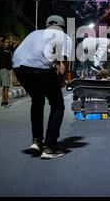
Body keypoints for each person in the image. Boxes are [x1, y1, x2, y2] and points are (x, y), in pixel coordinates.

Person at [12, 15, 72, 160]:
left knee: (37, 101)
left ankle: (36, 141)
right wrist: (62, 82)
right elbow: (63, 67)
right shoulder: (64, 37)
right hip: (40, 68)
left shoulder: (34, 33)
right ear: (62, 27)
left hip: (18, 67)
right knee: (57, 105)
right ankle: (50, 147)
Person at [0, 36, 16, 107]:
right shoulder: (0, 49)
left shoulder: (9, 49)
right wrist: (1, 39)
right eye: (6, 42)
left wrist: (11, 41)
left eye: (8, 42)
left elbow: (16, 43)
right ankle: (6, 102)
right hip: (3, 69)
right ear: (3, 43)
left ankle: (3, 101)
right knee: (6, 87)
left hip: (8, 69)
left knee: (5, 86)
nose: (7, 43)